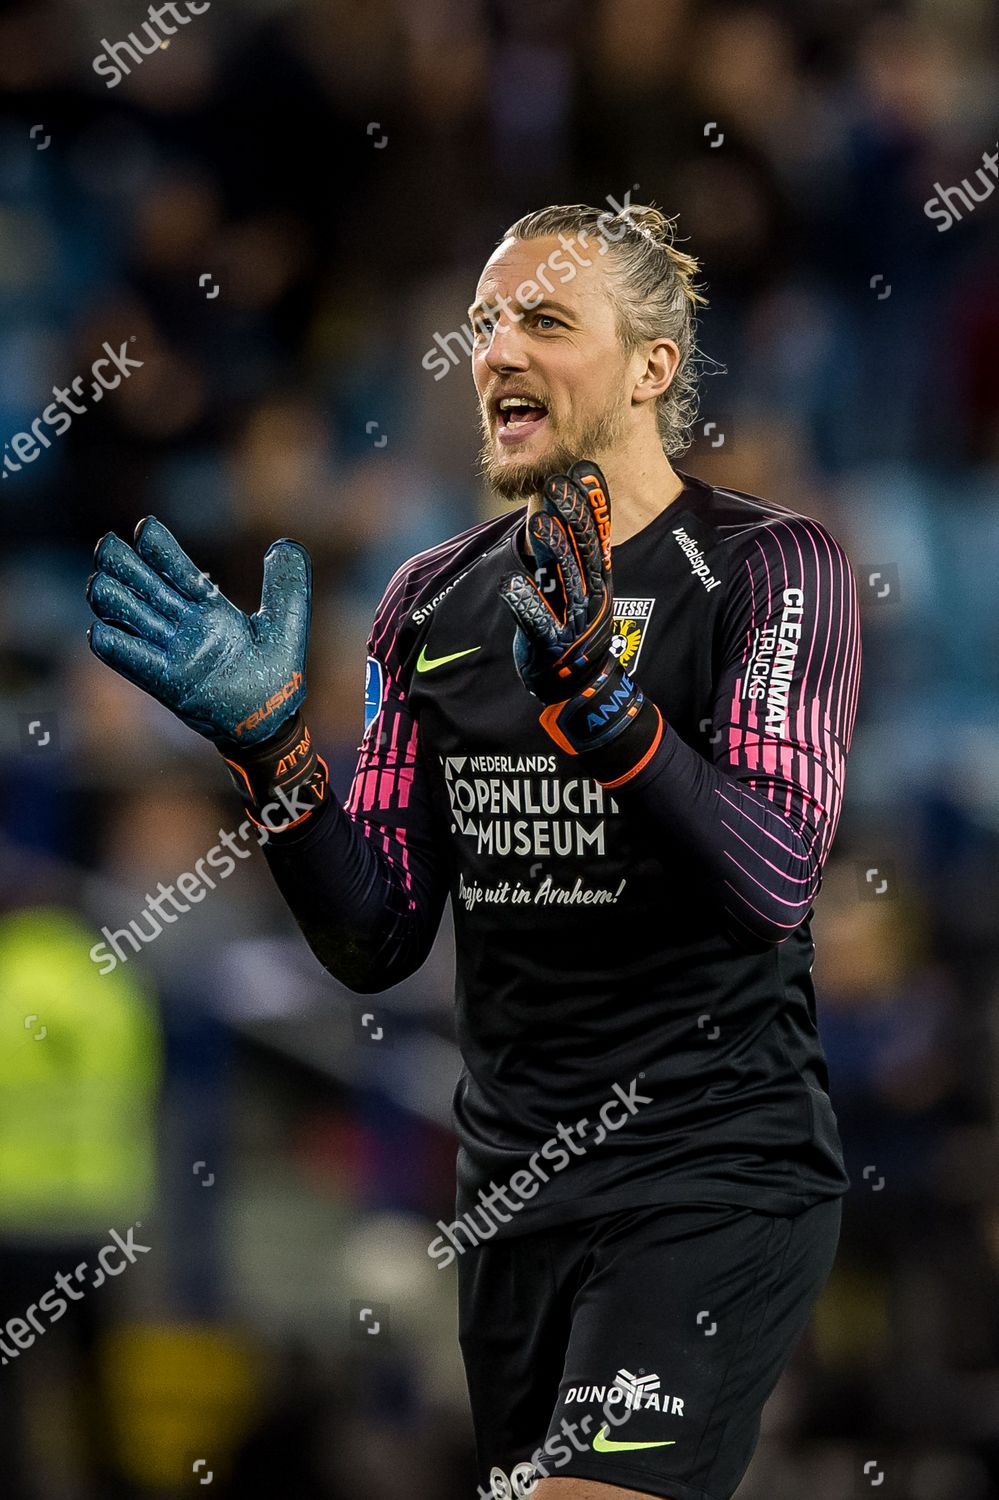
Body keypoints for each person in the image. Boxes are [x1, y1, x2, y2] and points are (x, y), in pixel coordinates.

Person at [85, 202, 862, 1500]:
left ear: (652, 367)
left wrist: (609, 720)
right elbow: (376, 934)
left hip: (711, 1176)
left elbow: (775, 874)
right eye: (485, 322)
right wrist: (277, 761)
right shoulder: (428, 601)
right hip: (515, 1194)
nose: (496, 349)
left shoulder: (773, 570)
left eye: (546, 320)